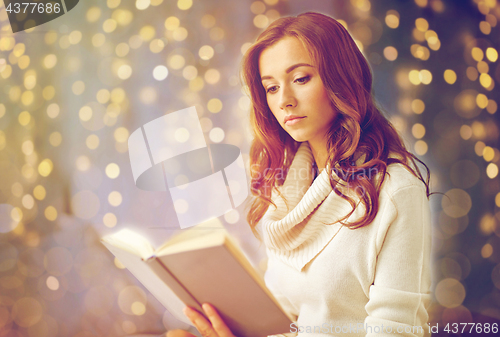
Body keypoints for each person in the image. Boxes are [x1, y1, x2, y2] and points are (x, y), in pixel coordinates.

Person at [168, 11, 433, 337]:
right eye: (272, 87)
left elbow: (396, 330)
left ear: (341, 79)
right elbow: (289, 323)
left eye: (301, 79)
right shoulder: (286, 188)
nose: (284, 101)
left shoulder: (395, 191)